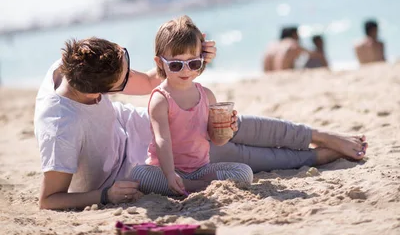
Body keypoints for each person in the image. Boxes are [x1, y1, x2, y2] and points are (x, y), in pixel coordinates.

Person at [35, 24, 368, 210]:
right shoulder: (62, 129)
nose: (131, 75)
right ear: (99, 92)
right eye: (124, 77)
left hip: (139, 127)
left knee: (232, 124)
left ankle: (320, 136)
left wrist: (189, 60)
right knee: (241, 156)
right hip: (141, 166)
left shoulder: (76, 64)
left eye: (125, 58)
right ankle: (314, 155)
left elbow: (153, 81)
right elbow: (49, 200)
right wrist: (105, 196)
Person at [131, 16, 253, 195]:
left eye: (193, 63)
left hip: (200, 170)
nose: (186, 70)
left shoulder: (207, 95)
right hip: (165, 170)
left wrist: (227, 129)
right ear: (160, 63)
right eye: (176, 65)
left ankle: (191, 185)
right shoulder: (161, 98)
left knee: (244, 172)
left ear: (202, 60)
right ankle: (193, 185)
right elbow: (161, 140)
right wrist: (170, 173)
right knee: (140, 175)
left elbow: (217, 140)